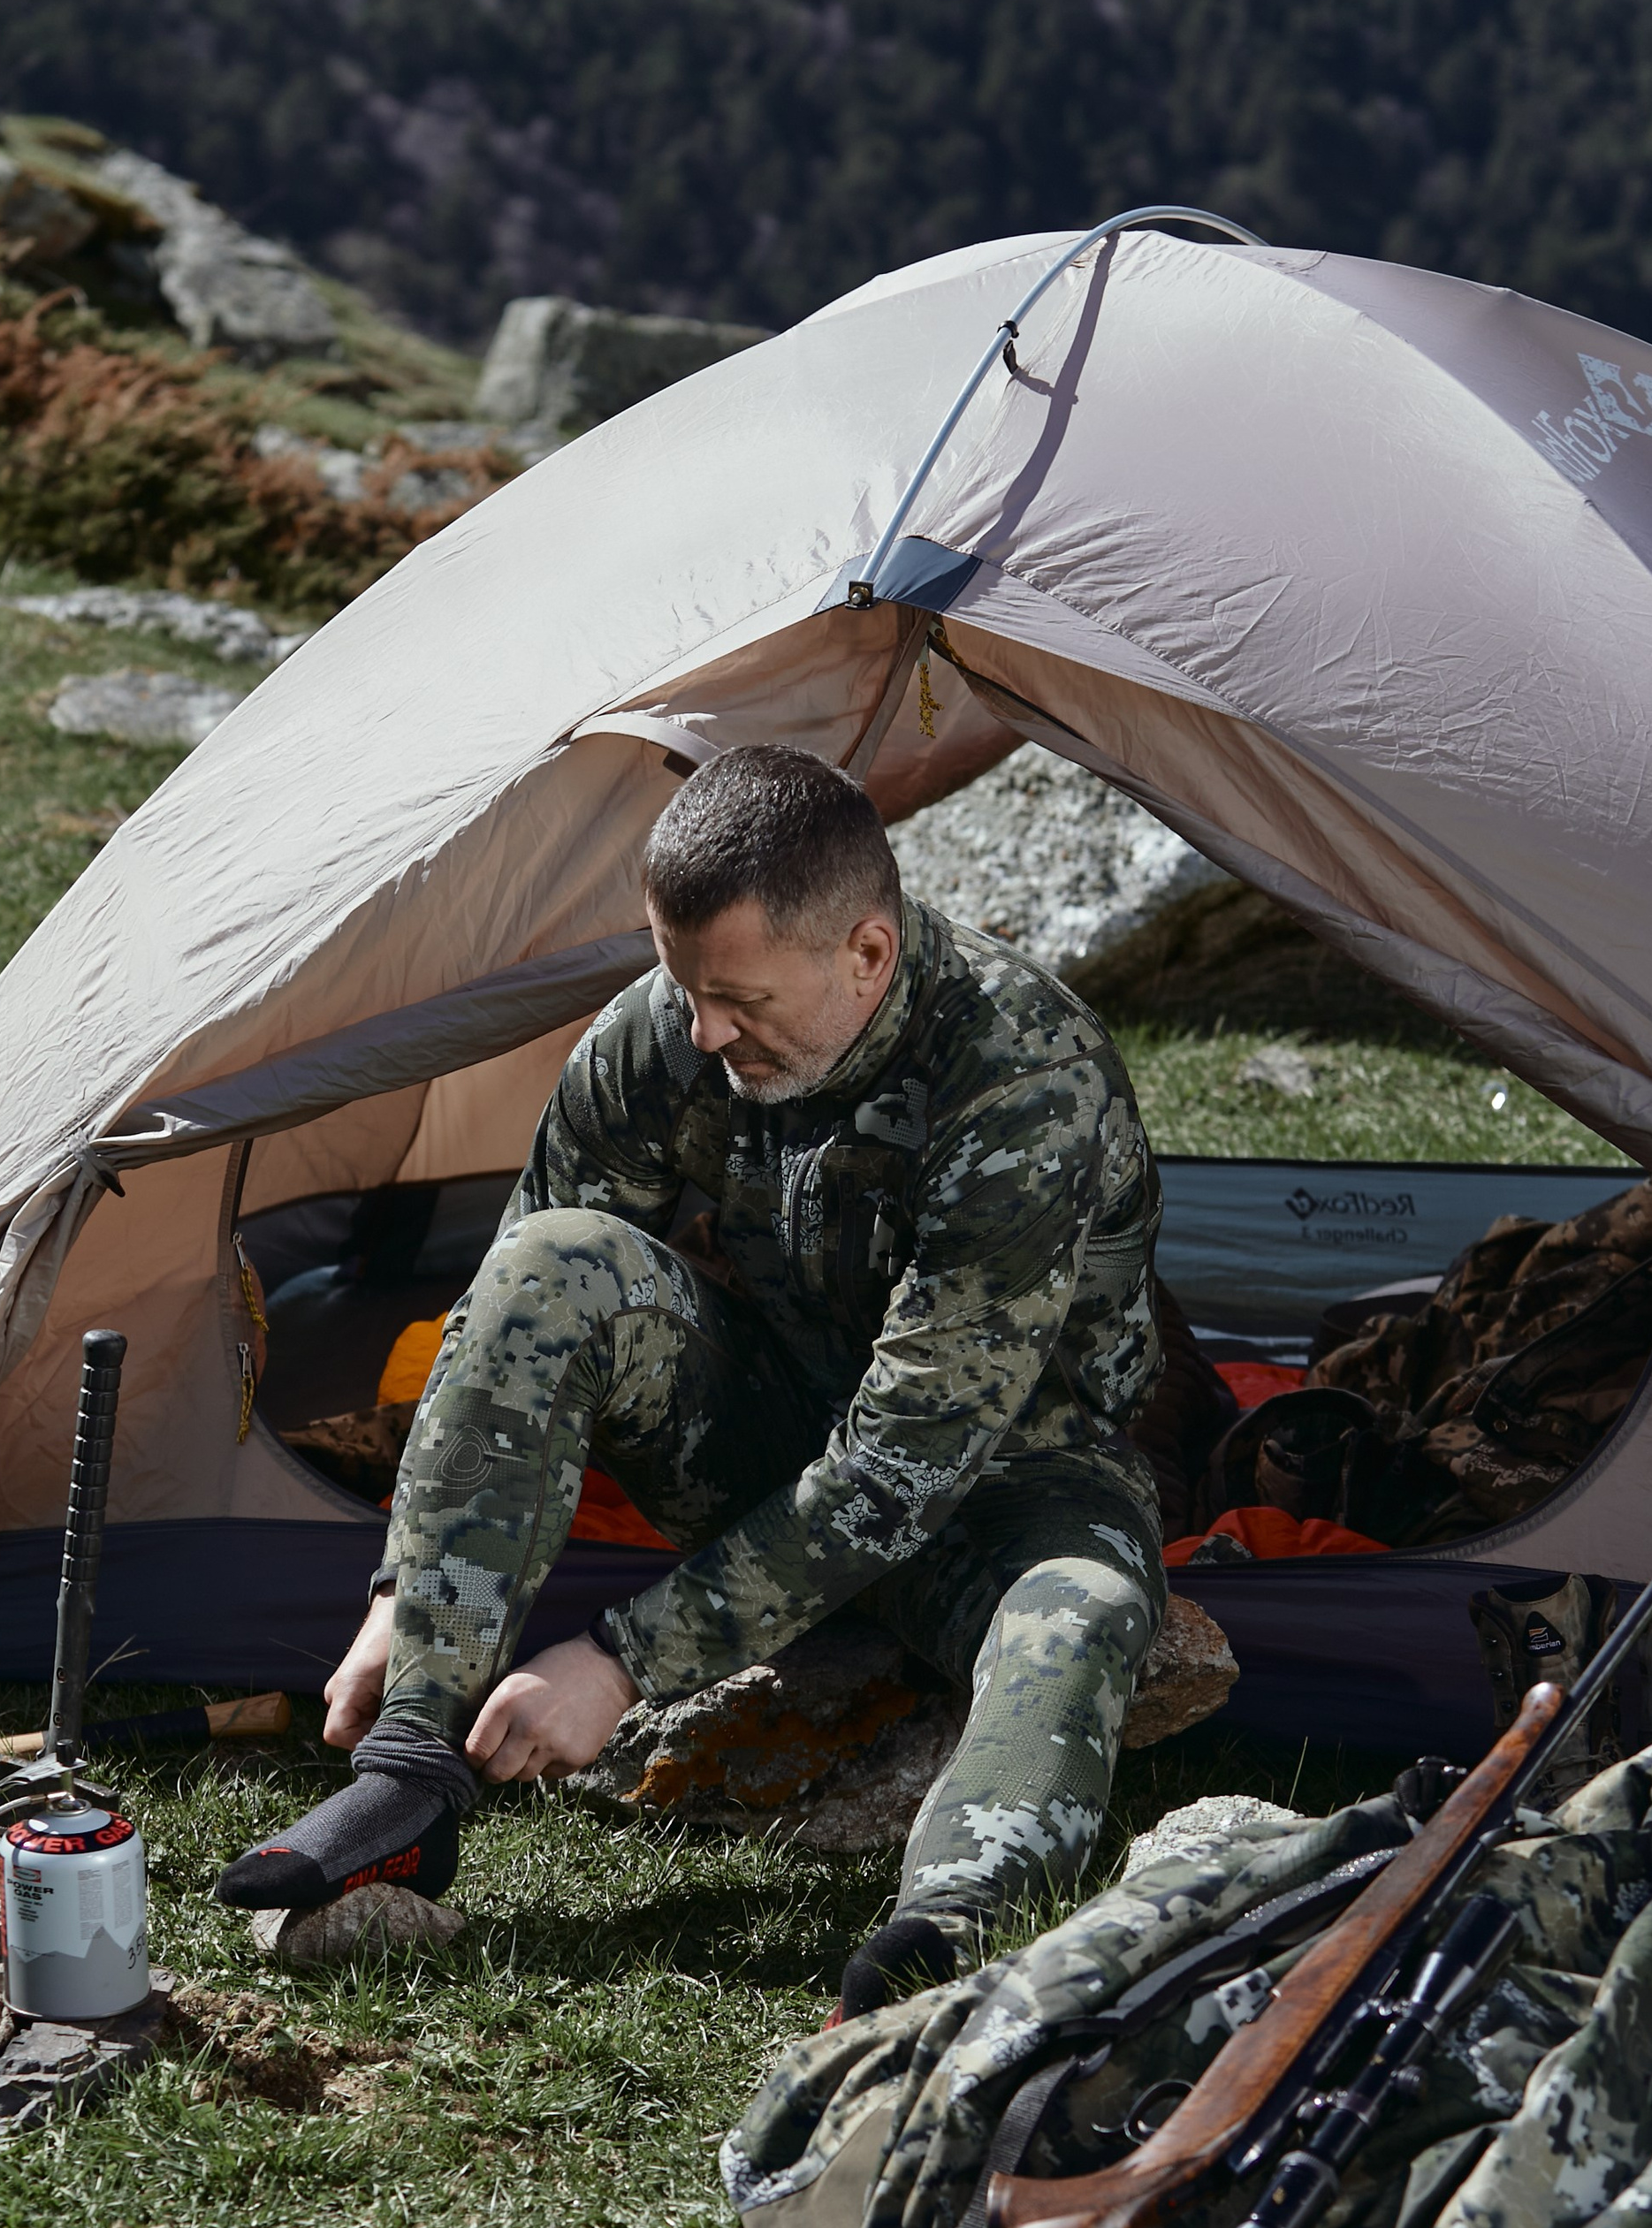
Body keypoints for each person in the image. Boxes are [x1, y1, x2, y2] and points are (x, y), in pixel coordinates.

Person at [215, 741, 1169, 2014]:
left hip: (1007, 1485)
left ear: (867, 954)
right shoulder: (674, 1026)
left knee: (1085, 1612)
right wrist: (416, 1590)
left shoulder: (1020, 1079)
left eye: (741, 1002)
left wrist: (618, 1660)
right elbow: (515, 1291)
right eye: (683, 984)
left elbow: (899, 1469)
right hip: (769, 1430)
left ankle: (945, 1939)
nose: (704, 1030)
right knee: (560, 1263)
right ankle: (408, 1778)